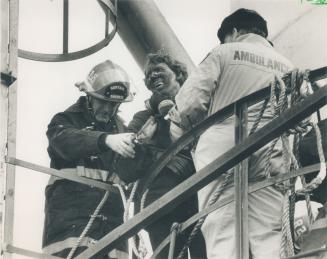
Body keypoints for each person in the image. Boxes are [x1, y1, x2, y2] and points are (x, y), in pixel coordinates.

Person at [170, 8, 294, 259]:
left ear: (234, 32)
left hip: (223, 143)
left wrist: (186, 135)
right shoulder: (289, 65)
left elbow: (190, 105)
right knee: (270, 227)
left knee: (222, 223)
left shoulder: (223, 52)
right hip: (274, 146)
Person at [115, 51, 207, 259]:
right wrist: (144, 146)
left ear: (178, 74)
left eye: (159, 70)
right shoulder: (144, 118)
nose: (153, 76)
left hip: (201, 197)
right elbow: (123, 167)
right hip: (162, 203)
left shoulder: (202, 106)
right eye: (149, 74)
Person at [42, 60, 136, 259]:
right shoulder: (65, 121)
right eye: (103, 101)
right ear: (89, 96)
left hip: (112, 230)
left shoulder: (121, 131)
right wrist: (105, 140)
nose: (108, 109)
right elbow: (64, 142)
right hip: (71, 231)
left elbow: (137, 171)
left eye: (113, 104)